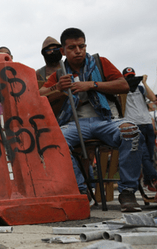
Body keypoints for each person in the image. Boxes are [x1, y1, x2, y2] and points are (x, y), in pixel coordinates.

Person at [39, 28, 143, 212]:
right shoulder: (59, 74)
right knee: (50, 140)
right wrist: (57, 87)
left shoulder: (100, 62)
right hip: (74, 123)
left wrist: (93, 85)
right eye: (72, 47)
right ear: (63, 51)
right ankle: (81, 191)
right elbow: (38, 94)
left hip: (105, 120)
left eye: (81, 46)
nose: (78, 50)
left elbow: (124, 85)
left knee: (131, 131)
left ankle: (127, 192)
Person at [122, 67, 157, 192]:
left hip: (147, 124)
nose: (131, 79)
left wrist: (144, 83)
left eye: (133, 77)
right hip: (135, 125)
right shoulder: (121, 91)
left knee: (150, 157)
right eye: (128, 77)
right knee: (144, 156)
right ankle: (154, 178)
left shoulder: (141, 88)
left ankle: (149, 182)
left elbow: (153, 98)